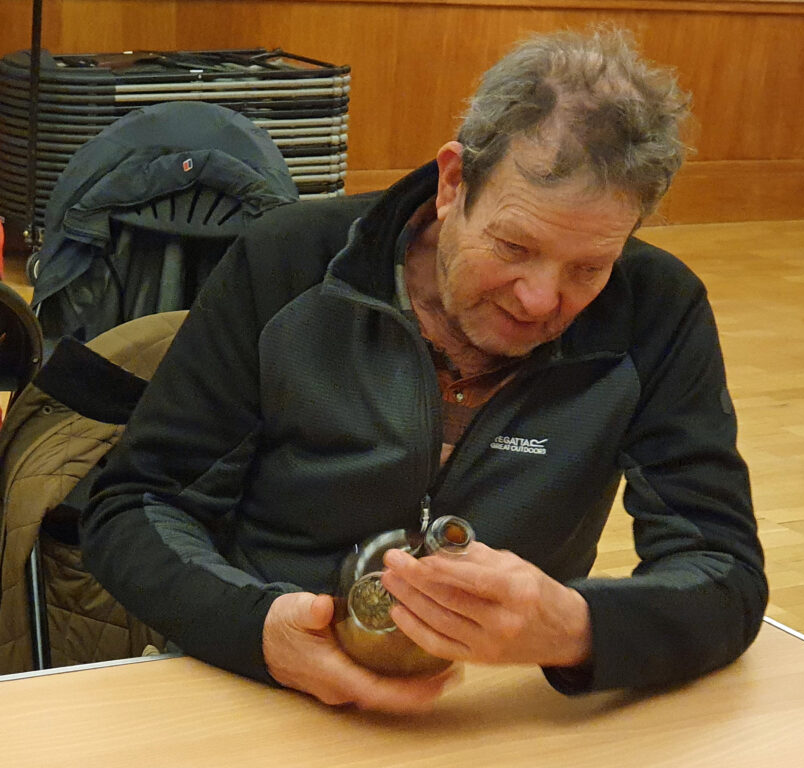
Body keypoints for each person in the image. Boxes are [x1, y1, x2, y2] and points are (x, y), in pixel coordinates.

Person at [82, 28, 767, 714]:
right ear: (451, 183)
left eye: (589, 267)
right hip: (261, 683)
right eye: (514, 244)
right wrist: (260, 632)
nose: (539, 299)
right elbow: (136, 507)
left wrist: (574, 627)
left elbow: (725, 575)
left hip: (493, 714)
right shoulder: (287, 263)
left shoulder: (657, 310)